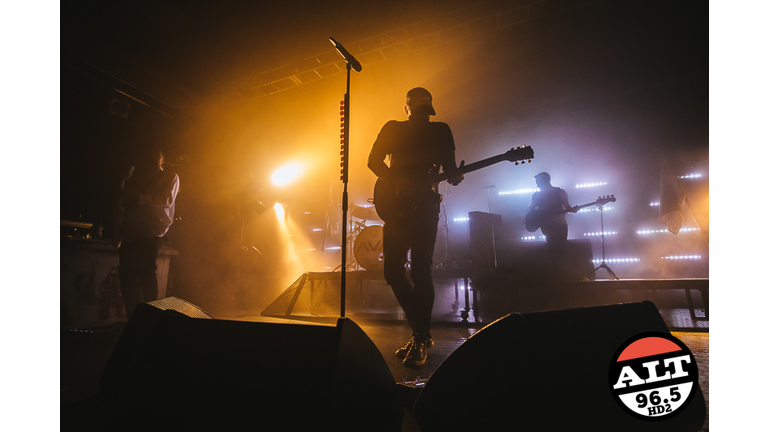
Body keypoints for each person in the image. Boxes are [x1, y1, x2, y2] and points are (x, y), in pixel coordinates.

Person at [368, 87, 464, 367]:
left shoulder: (441, 131)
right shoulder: (393, 129)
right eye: (418, 111)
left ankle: (420, 337)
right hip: (396, 207)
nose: (421, 117)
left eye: (425, 113)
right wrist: (395, 180)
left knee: (421, 270)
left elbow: (449, 171)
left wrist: (457, 176)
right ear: (407, 108)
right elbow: (373, 161)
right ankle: (420, 332)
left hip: (425, 207)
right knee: (392, 271)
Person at [115, 146, 180, 318]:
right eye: (149, 154)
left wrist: (137, 198)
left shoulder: (170, 176)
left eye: (156, 155)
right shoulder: (136, 178)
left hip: (152, 230)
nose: (152, 157)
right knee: (127, 276)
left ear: (162, 159)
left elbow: (165, 199)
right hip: (132, 230)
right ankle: (133, 317)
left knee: (144, 273)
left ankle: (151, 317)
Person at [527, 172, 577, 279]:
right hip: (548, 225)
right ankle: (556, 274)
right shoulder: (537, 195)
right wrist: (542, 213)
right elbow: (531, 209)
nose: (537, 185)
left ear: (545, 180)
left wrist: (573, 210)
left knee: (560, 249)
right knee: (553, 249)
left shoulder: (559, 192)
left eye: (538, 182)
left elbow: (568, 207)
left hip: (559, 224)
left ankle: (558, 274)